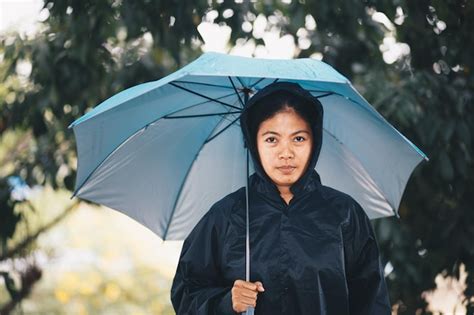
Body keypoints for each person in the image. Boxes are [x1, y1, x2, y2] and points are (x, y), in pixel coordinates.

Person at [170, 82, 391, 314]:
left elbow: (372, 303)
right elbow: (186, 294)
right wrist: (227, 302)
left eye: (298, 139)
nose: (286, 153)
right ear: (253, 143)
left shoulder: (345, 214)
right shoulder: (226, 215)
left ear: (314, 142)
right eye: (271, 139)